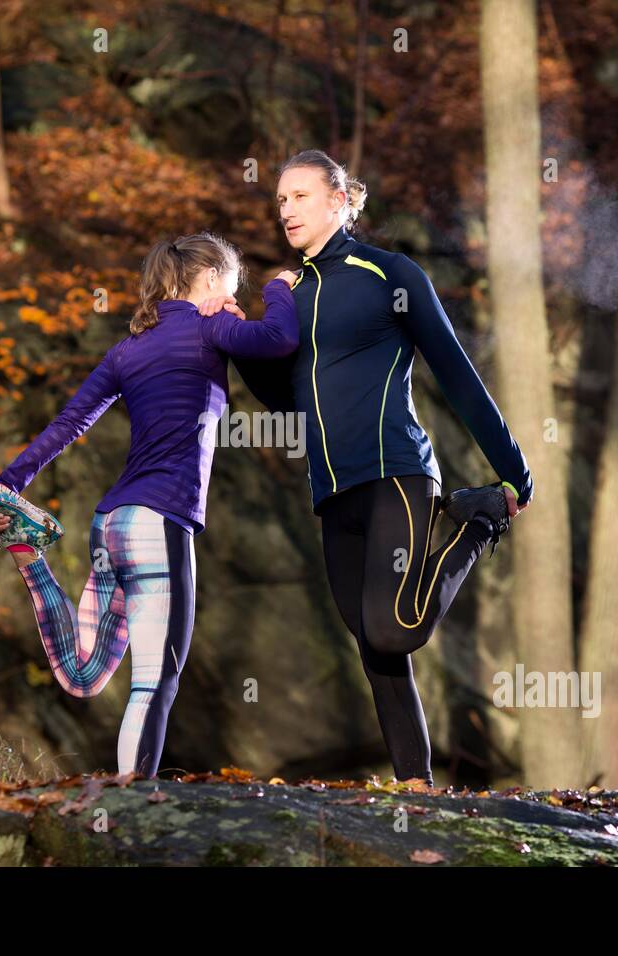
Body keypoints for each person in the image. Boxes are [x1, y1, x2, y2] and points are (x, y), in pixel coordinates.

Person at [222, 148, 534, 786]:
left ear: (338, 200)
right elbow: (288, 397)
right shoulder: (291, 296)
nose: (286, 210)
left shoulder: (386, 273)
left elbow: (454, 369)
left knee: (396, 631)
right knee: (373, 646)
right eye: (280, 200)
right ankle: (416, 790)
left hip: (397, 472)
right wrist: (239, 341)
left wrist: (513, 472)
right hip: (332, 491)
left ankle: (479, 520)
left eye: (300, 197)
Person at [0, 232, 298, 778]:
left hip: (112, 524)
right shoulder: (212, 326)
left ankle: (29, 551)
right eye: (232, 281)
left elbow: (69, 423)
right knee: (155, 681)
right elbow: (281, 338)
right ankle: (129, 816)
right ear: (212, 278)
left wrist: (10, 483)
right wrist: (279, 285)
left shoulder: (128, 349)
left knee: (85, 675)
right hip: (159, 521)